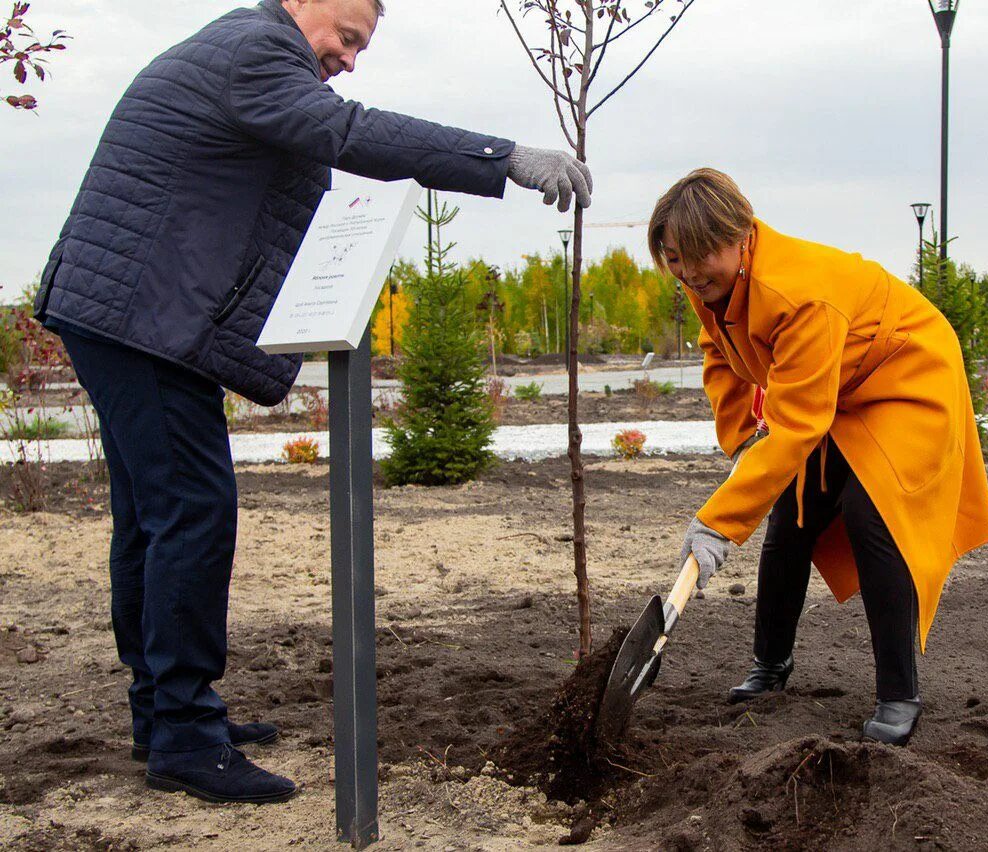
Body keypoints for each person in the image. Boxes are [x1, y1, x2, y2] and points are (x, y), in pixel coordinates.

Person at [33, 0, 591, 805]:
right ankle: (184, 734)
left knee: (154, 518)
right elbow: (351, 133)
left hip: (125, 308)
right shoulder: (258, 52)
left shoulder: (239, 47)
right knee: (191, 511)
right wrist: (500, 157)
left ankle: (164, 716)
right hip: (141, 314)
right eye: (348, 36)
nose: (350, 58)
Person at [653, 169, 988, 746]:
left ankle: (898, 694)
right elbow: (720, 357)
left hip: (907, 374)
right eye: (673, 258)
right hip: (842, 382)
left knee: (873, 516)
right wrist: (742, 443)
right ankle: (770, 665)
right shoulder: (710, 280)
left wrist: (720, 520)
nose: (687, 272)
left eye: (697, 256)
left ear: (741, 237)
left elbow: (796, 425)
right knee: (794, 515)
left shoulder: (798, 293)